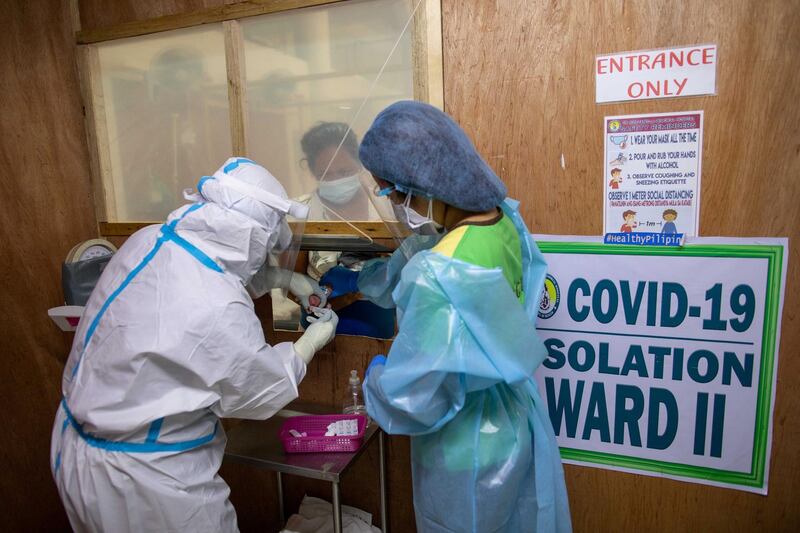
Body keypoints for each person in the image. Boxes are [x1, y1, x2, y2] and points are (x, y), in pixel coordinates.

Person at [321, 101, 572, 532]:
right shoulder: (501, 221)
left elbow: (414, 401)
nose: (396, 205)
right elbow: (423, 261)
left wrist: (377, 380)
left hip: (465, 447)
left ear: (426, 181)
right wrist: (362, 279)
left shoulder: (439, 272)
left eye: (392, 193)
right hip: (512, 423)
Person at [51, 157, 338, 533]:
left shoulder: (150, 239)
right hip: (146, 480)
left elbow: (196, 279)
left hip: (76, 447)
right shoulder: (218, 307)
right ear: (252, 238)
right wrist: (310, 342)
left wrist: (280, 277)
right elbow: (260, 393)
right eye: (266, 243)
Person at [299, 122, 378, 221]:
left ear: (359, 164)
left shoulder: (388, 206)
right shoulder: (296, 213)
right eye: (326, 174)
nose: (335, 180)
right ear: (313, 172)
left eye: (344, 172)